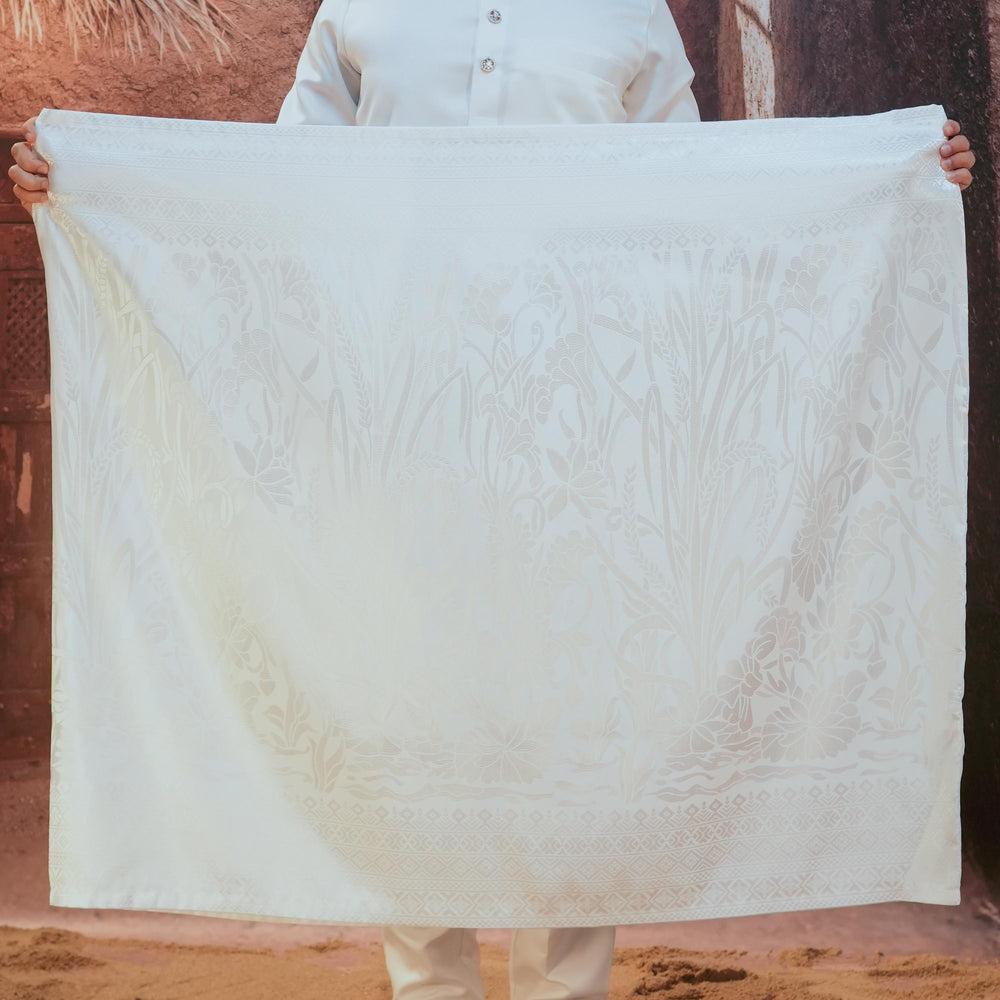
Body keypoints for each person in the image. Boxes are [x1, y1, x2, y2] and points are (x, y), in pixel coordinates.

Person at [7, 2, 977, 999]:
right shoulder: (362, 7)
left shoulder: (627, 12)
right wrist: (85, 181)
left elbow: (702, 198)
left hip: (584, 425)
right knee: (405, 708)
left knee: (579, 715)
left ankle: (568, 987)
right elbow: (280, 189)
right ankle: (429, 987)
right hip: (394, 411)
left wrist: (896, 180)